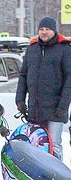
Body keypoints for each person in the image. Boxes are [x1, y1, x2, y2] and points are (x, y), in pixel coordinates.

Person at [16, 16, 71, 161]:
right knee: (36, 144)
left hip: (56, 109)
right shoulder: (32, 49)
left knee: (54, 145)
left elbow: (69, 80)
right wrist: (20, 100)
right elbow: (23, 75)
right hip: (35, 109)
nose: (44, 32)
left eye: (47, 29)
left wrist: (63, 106)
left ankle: (56, 173)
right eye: (41, 29)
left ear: (54, 31)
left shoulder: (64, 49)